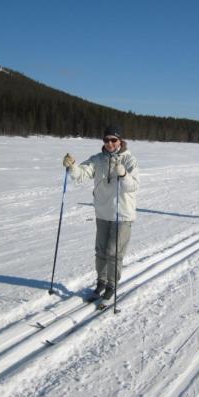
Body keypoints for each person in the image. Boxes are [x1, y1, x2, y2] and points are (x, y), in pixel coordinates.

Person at [62, 126, 139, 307]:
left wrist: (124, 174)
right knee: (101, 252)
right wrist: (72, 166)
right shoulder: (98, 160)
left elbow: (133, 186)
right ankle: (101, 283)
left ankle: (112, 286)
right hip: (103, 212)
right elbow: (81, 175)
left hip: (122, 214)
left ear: (120, 141)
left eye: (113, 140)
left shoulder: (129, 160)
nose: (110, 143)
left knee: (114, 253)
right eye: (106, 140)